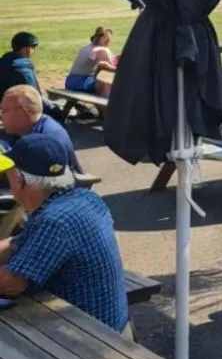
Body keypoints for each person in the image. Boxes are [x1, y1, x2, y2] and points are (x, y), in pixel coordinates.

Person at [0, 133, 129, 331]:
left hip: (89, 336)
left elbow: (12, 282)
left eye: (8, 173)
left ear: (20, 180)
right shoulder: (84, 198)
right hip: (106, 322)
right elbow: (17, 243)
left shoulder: (54, 222)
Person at [1, 85, 81, 174]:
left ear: (23, 112)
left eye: (4, 111)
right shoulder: (40, 122)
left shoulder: (38, 143)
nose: (1, 116)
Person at [0, 32, 59, 120]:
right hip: (24, 106)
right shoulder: (26, 65)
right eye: (33, 47)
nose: (33, 50)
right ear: (26, 49)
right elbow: (34, 92)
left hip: (4, 102)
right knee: (56, 111)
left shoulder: (3, 60)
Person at [65, 27, 117, 97]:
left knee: (98, 81)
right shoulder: (103, 50)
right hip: (81, 84)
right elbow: (108, 65)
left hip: (69, 82)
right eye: (108, 40)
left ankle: (96, 107)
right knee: (107, 87)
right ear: (103, 39)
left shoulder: (85, 47)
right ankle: (106, 107)